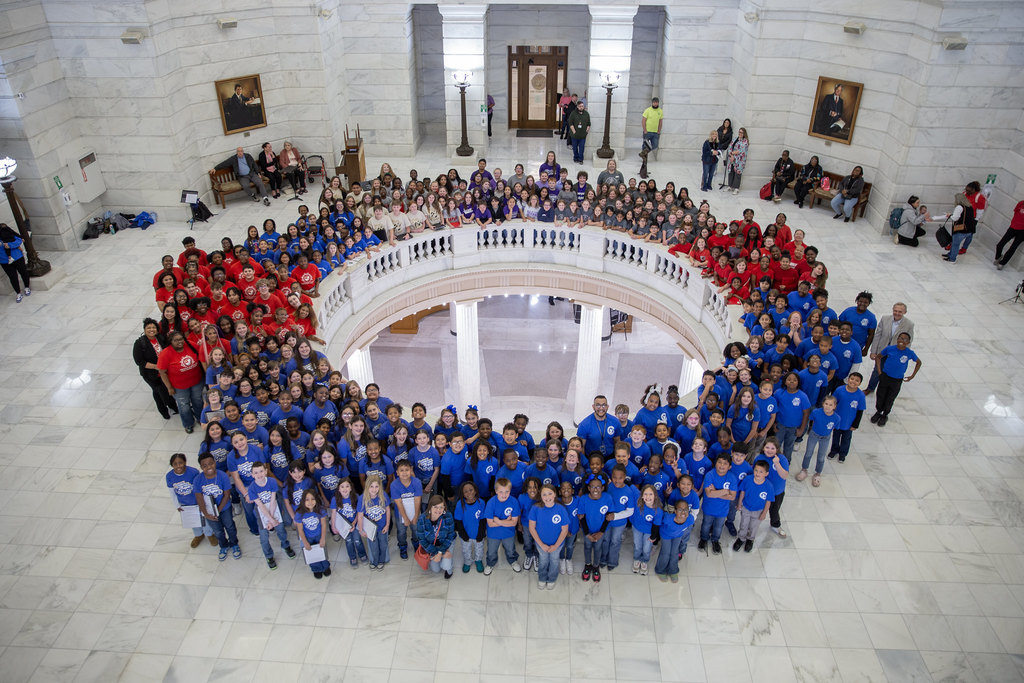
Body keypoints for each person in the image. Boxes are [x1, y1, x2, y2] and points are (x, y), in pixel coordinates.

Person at [194, 452, 240, 561]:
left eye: (211, 464)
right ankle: (223, 546)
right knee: (218, 531)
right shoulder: (198, 480)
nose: (209, 467)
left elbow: (227, 495)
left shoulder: (222, 475)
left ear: (215, 463)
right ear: (201, 467)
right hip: (209, 512)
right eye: (204, 466)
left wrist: (217, 510)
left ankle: (234, 544)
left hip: (224, 508)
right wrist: (206, 513)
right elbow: (199, 498)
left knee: (230, 527)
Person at [157, 331, 204, 433]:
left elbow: (201, 355)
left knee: (198, 401)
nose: (179, 342)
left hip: (196, 382)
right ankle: (188, 424)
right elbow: (162, 372)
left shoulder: (191, 345)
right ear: (171, 341)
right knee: (184, 405)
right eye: (176, 340)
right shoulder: (165, 354)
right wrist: (169, 387)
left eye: (181, 339)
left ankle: (201, 419)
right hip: (179, 387)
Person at [871, 332, 921, 426]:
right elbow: (878, 357)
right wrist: (879, 371)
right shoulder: (890, 349)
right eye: (900, 338)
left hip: (897, 380)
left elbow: (918, 362)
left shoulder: (909, 353)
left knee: (890, 397)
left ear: (908, 342)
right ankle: (878, 411)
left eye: (905, 339)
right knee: (881, 394)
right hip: (885, 376)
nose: (902, 341)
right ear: (897, 339)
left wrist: (912, 375)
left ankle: (885, 414)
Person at [133, 318, 180, 420]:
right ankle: (163, 410)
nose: (151, 330)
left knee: (166, 388)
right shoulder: (140, 343)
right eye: (148, 328)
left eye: (153, 327)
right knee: (157, 391)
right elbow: (139, 362)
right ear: (144, 330)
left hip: (164, 371)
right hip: (151, 374)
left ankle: (173, 406)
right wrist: (157, 366)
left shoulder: (160, 338)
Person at [527, 483, 569, 589]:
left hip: (557, 544)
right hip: (541, 543)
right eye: (544, 494)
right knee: (543, 560)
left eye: (550, 494)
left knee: (554, 561)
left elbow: (564, 530)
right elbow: (532, 528)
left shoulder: (561, 509)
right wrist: (541, 544)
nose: (547, 497)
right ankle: (542, 577)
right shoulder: (535, 508)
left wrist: (555, 546)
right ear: (540, 496)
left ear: (555, 494)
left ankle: (552, 578)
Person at [866, 302, 914, 394]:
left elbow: (909, 341)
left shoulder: (909, 324)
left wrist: (903, 355)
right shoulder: (885, 319)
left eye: (900, 311)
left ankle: (885, 390)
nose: (897, 313)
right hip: (882, 350)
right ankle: (870, 388)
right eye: (895, 311)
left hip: (896, 353)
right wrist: (873, 351)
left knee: (890, 372)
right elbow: (878, 335)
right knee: (877, 370)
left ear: (905, 312)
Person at [732, 460, 774, 552]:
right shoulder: (747, 479)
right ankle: (741, 538)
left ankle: (750, 540)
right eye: (756, 470)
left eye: (761, 472)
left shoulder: (769, 486)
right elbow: (742, 491)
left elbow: (768, 501)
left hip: (758, 510)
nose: (757, 473)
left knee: (754, 526)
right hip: (746, 507)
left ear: (766, 474)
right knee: (744, 524)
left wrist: (764, 513)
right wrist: (739, 504)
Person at [416, 494, 456, 579]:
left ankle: (449, 569)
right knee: (436, 570)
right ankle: (442, 557)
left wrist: (441, 552)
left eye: (441, 507)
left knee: (446, 565)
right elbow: (422, 540)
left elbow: (450, 536)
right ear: (430, 507)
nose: (438, 510)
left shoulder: (448, 516)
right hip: (432, 546)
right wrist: (437, 553)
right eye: (435, 507)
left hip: (446, 543)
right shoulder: (422, 519)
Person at [940, 185, 979, 263]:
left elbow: (955, 218)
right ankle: (950, 255)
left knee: (955, 244)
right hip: (970, 230)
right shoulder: (970, 206)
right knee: (955, 244)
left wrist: (949, 215)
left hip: (961, 230)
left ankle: (952, 259)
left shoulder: (959, 207)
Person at [0, 223, 30, 302]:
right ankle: (18, 293)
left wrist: (9, 245)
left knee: (23, 272)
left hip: (18, 257)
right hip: (4, 261)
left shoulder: (9, 233)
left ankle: (27, 287)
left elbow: (19, 240)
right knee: (13, 277)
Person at [994, 198, 1024, 269]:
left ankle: (1002, 263)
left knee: (1013, 248)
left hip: (1022, 231)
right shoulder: (1021, 203)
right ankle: (998, 256)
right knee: (1000, 244)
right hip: (1013, 228)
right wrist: (1013, 224)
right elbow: (1015, 214)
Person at [567, 100, 591, 164]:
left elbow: (589, 123)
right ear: (577, 107)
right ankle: (575, 158)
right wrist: (574, 131)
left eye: (582, 106)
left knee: (581, 148)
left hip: (582, 135)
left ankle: (580, 159)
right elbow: (570, 123)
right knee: (575, 148)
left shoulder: (586, 114)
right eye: (580, 106)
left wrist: (587, 131)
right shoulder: (573, 113)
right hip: (574, 135)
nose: (581, 107)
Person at [725, 128, 748, 195]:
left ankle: (736, 188)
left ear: (744, 134)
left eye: (741, 133)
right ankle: (730, 186)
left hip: (739, 161)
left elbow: (740, 151)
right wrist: (731, 155)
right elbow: (730, 146)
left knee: (737, 174)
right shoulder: (735, 139)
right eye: (739, 132)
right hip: (732, 158)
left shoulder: (745, 142)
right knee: (731, 172)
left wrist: (732, 154)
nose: (740, 134)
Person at [640, 96, 663, 162]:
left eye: (656, 103)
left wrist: (659, 130)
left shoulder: (660, 111)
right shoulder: (647, 110)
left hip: (655, 132)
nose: (655, 104)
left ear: (658, 103)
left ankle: (643, 153)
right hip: (647, 132)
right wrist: (645, 130)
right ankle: (644, 158)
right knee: (645, 145)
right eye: (654, 102)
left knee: (655, 145)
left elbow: (660, 122)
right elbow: (643, 120)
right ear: (652, 103)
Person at [716, 118, 733, 190]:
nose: (726, 124)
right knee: (715, 157)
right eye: (725, 122)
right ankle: (714, 171)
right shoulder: (720, 128)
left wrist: (723, 146)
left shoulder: (730, 132)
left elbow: (729, 140)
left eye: (727, 123)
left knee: (719, 158)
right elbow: (716, 135)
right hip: (717, 144)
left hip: (723, 147)